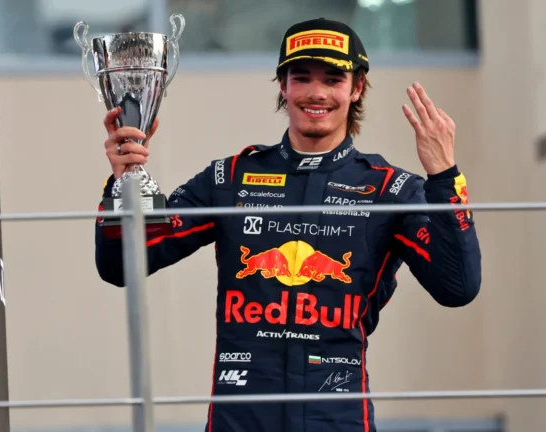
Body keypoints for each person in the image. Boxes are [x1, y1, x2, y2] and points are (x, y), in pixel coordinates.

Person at [95, 17, 481, 432]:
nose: (316, 93)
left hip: (335, 420)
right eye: (301, 78)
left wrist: (444, 177)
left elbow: (457, 287)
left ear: (357, 88)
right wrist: (124, 182)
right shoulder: (230, 177)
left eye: (334, 79)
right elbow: (122, 264)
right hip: (238, 421)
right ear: (283, 86)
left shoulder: (390, 189)